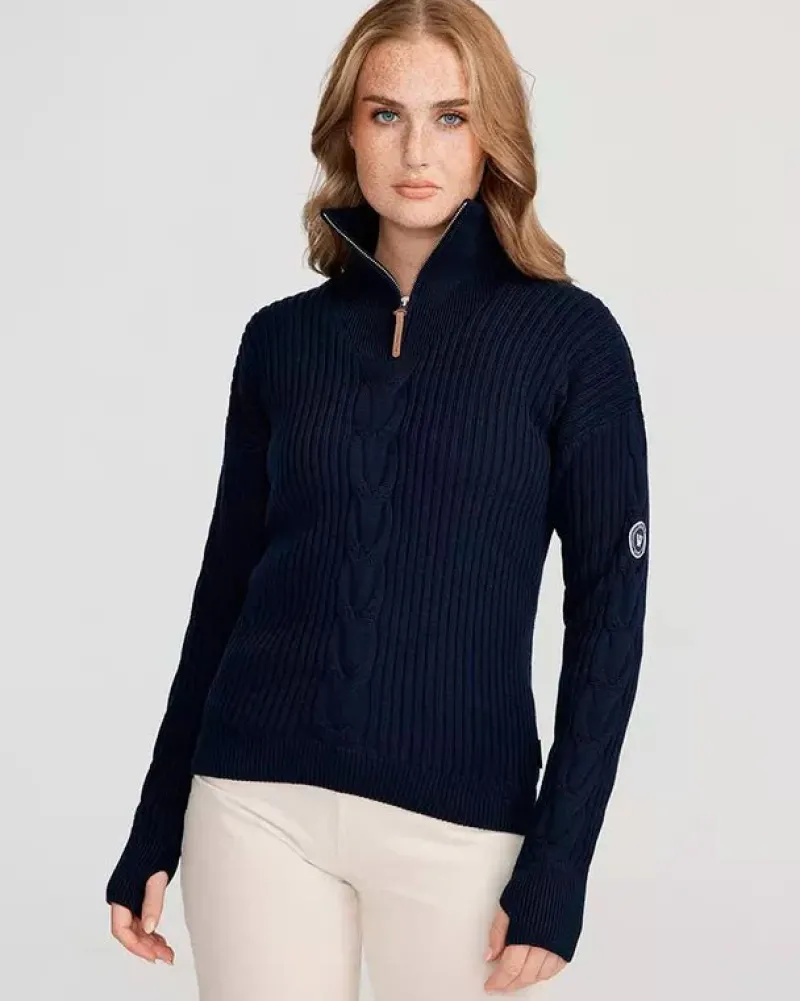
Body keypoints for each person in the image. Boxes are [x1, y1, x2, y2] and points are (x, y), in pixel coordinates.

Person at [105, 1, 650, 997]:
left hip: (461, 825)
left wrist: (560, 860)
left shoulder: (571, 343)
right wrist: (155, 821)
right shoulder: (282, 341)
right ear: (346, 132)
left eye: (451, 116)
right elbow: (223, 591)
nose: (416, 150)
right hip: (253, 800)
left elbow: (609, 619)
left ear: (492, 137)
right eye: (386, 113)